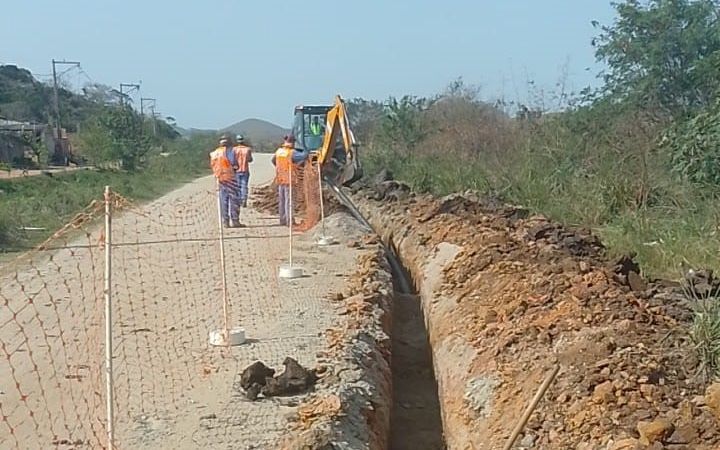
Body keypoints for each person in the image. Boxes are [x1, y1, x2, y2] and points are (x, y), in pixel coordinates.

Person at [271, 135, 308, 226]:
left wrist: (280, 168)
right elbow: (304, 156)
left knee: (282, 200)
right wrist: (306, 148)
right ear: (293, 142)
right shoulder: (292, 153)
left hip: (280, 178)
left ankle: (282, 220)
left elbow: (273, 160)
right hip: (289, 179)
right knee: (289, 201)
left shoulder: (279, 151)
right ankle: (290, 221)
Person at [210, 134, 244, 228]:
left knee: (223, 200)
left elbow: (212, 165)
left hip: (220, 179)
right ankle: (235, 220)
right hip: (230, 179)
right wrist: (235, 168)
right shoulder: (230, 151)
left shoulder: (214, 153)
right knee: (234, 200)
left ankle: (225, 221)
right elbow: (234, 164)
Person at [233, 134, 253, 207]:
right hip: (245, 169)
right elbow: (250, 160)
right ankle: (244, 200)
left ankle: (238, 200)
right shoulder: (248, 149)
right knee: (244, 186)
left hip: (237, 170)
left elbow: (232, 160)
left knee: (237, 186)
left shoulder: (234, 150)